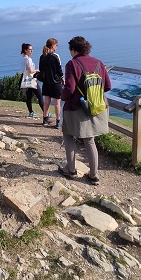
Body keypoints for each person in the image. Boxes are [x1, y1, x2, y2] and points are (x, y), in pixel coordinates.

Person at [58, 36, 111, 185]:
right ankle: (94, 175)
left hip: (76, 107)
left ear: (73, 50)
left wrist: (62, 96)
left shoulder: (72, 64)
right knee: (90, 140)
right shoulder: (99, 63)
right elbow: (107, 86)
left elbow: (70, 89)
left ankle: (71, 169)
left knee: (68, 135)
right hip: (96, 106)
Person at [38, 38, 64, 128]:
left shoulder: (42, 56)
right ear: (53, 46)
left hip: (46, 82)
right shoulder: (55, 56)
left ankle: (45, 119)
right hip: (56, 82)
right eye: (56, 45)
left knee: (47, 101)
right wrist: (62, 78)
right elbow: (59, 70)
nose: (57, 46)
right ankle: (58, 121)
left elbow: (41, 69)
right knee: (57, 103)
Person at [20, 43, 44, 118]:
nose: (31, 51)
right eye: (30, 49)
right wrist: (36, 70)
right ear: (25, 50)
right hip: (31, 79)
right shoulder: (28, 59)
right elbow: (30, 70)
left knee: (29, 96)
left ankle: (31, 112)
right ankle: (45, 112)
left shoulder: (23, 59)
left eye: (31, 49)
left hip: (26, 79)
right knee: (40, 96)